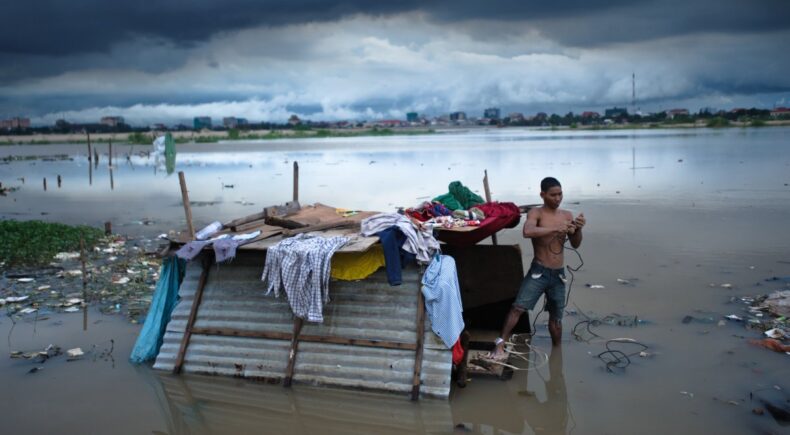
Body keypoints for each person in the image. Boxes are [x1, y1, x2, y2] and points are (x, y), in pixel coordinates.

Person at [489, 177, 585, 357]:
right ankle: (500, 343)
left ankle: (557, 355)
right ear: (542, 195)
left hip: (558, 275)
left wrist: (577, 230)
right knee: (518, 307)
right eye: (553, 195)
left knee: (556, 319)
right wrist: (556, 229)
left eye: (560, 194)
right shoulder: (536, 213)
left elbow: (576, 244)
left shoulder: (567, 216)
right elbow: (528, 231)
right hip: (538, 272)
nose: (558, 198)